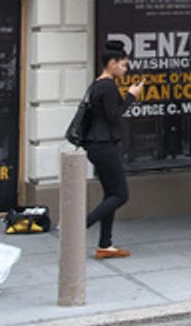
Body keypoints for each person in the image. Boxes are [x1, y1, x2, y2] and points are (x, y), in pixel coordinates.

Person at [83, 41, 143, 259]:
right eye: (123, 65)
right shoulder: (107, 86)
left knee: (111, 194)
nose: (125, 69)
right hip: (104, 144)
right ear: (112, 63)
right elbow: (114, 116)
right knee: (120, 195)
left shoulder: (96, 84)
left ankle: (105, 244)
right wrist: (132, 96)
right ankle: (80, 226)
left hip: (97, 144)